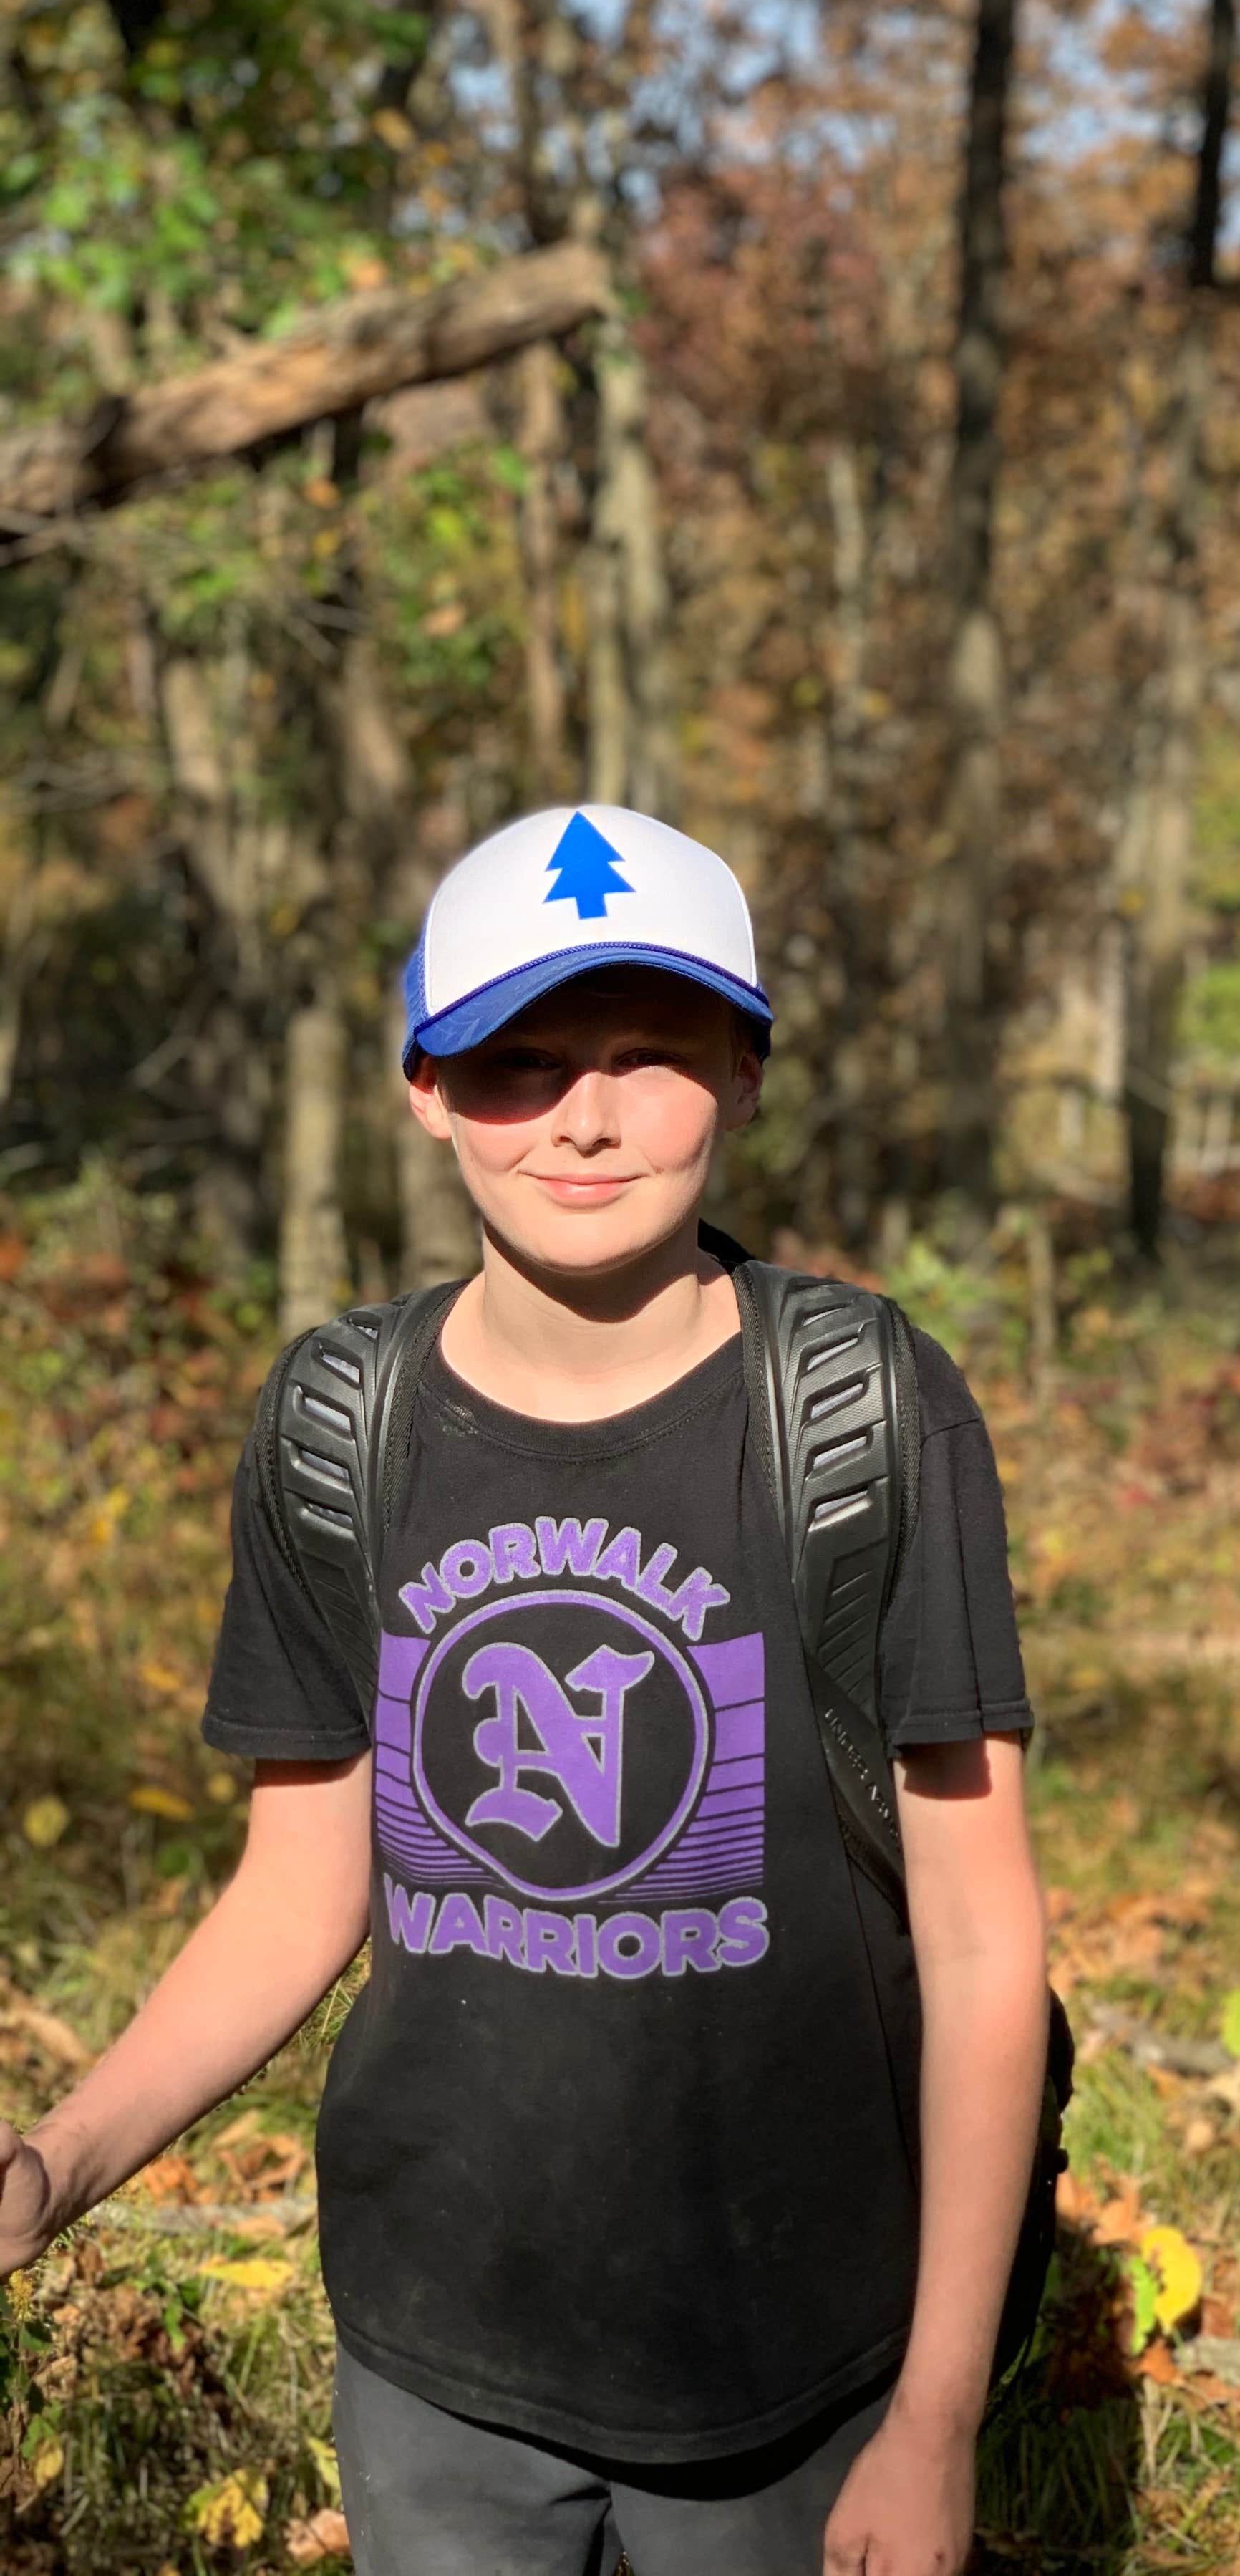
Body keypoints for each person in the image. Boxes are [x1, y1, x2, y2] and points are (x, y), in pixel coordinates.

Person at [0, 805, 1050, 2576]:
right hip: (435, 2352)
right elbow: (302, 1880)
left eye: (652, 1054)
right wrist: (62, 2159)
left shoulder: (867, 1413)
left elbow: (977, 1926)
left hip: (790, 2357)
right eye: (522, 1057)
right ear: (426, 1087)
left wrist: (937, 2416)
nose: (585, 1113)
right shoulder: (343, 1423)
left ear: (746, 1073)